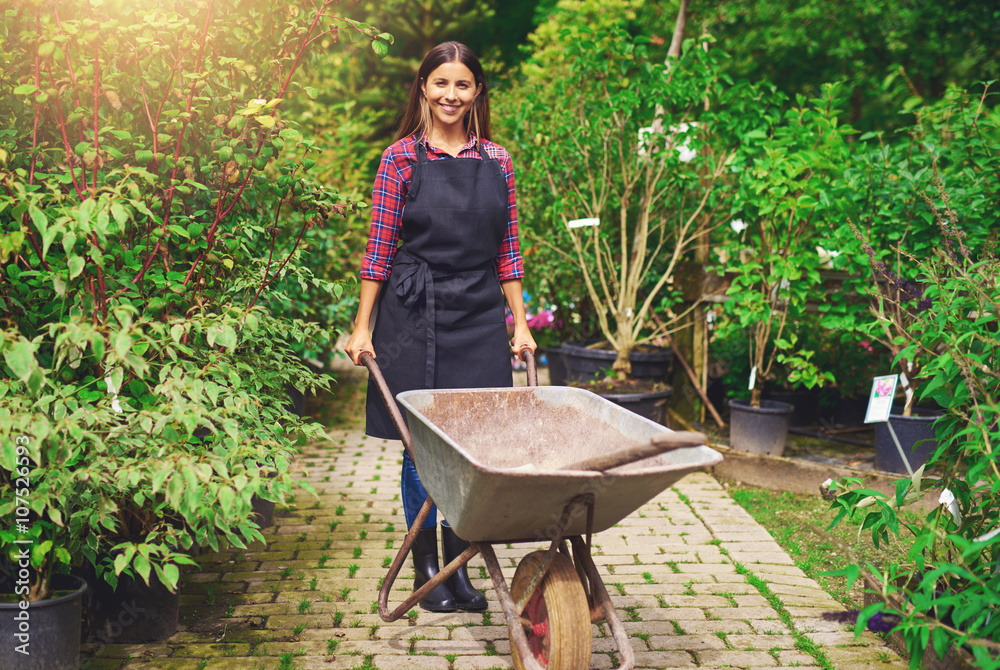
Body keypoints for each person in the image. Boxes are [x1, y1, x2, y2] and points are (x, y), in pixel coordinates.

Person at [344, 41, 536, 612]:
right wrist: (362, 327)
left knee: (474, 441)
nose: (451, 95)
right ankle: (425, 564)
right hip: (415, 310)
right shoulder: (400, 159)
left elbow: (509, 252)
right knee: (422, 443)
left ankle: (458, 561)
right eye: (440, 83)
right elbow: (378, 250)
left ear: (477, 92)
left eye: (463, 85)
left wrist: (519, 324)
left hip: (477, 311)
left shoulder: (496, 161)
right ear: (423, 87)